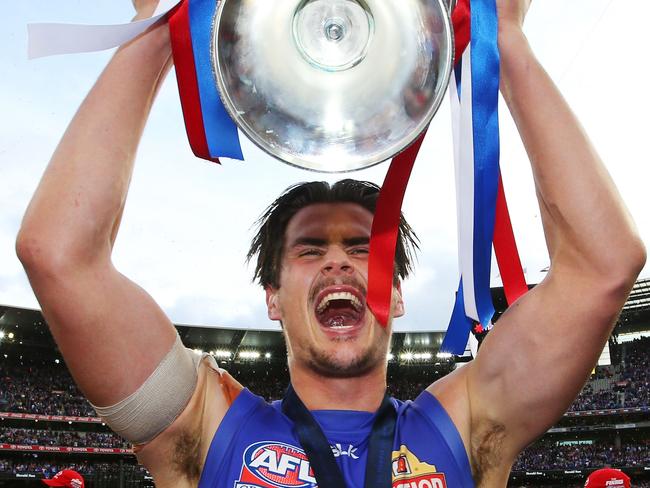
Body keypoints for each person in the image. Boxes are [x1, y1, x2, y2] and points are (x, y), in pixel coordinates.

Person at [15, 0, 645, 487]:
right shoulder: (205, 428)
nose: (340, 260)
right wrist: (159, 26)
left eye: (364, 249)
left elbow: (604, 267)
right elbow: (59, 255)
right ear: (272, 298)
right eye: (310, 250)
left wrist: (504, 39)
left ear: (396, 296)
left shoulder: (469, 423)